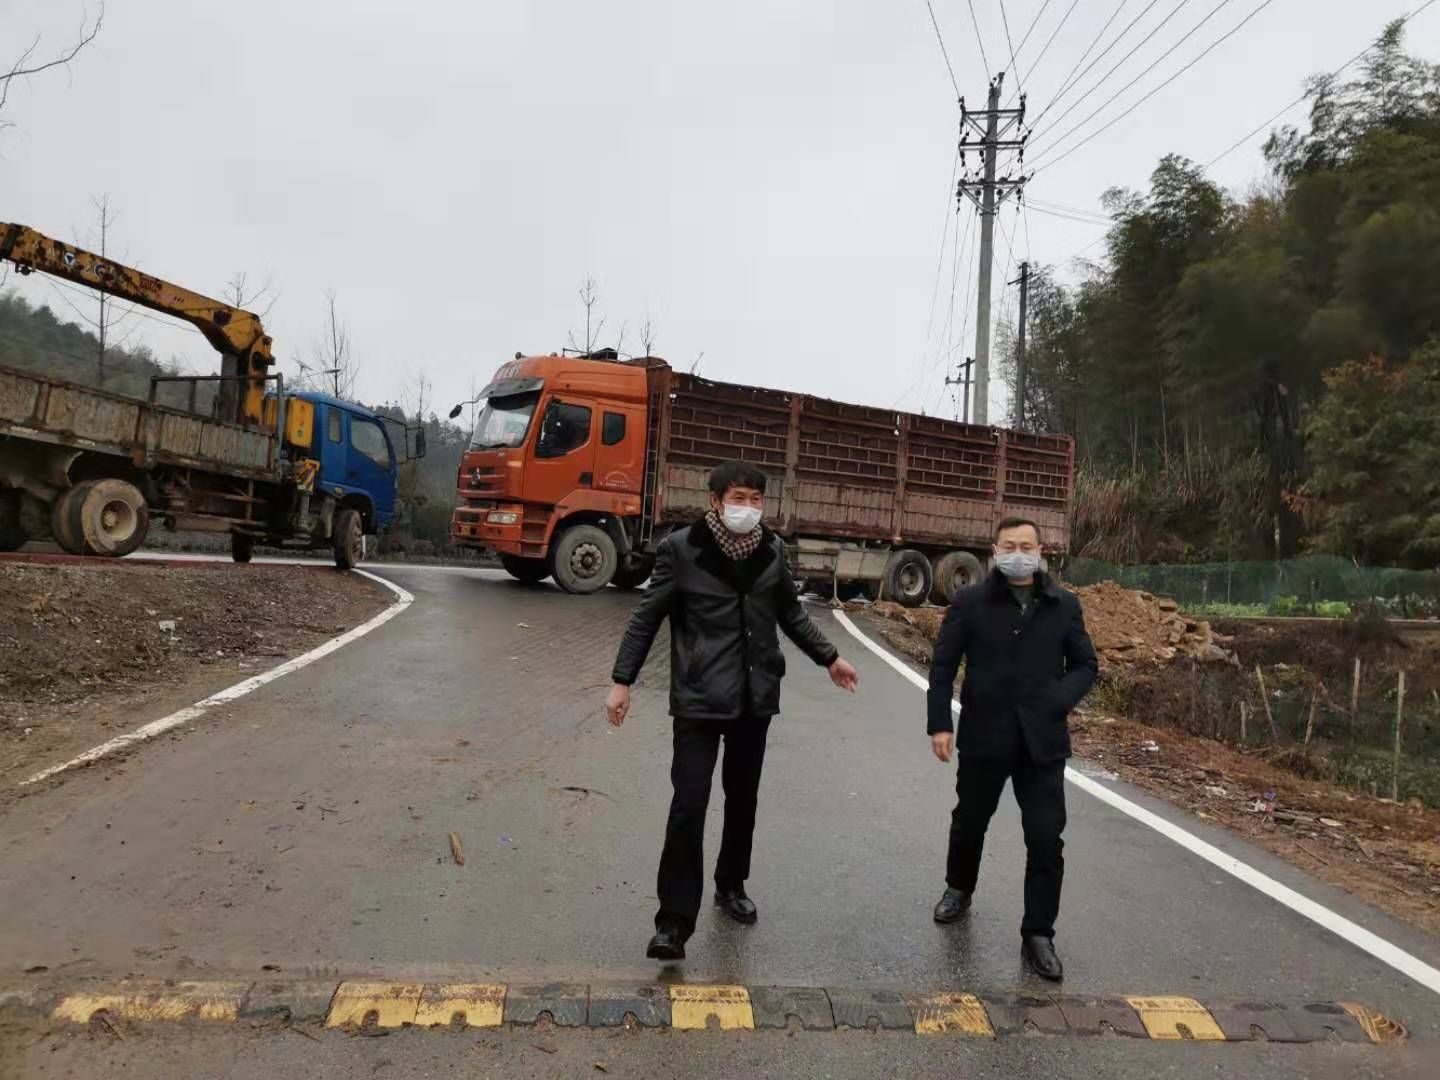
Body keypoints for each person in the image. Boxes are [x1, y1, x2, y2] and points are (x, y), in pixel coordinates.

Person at [607, 460, 859, 961]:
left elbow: (790, 612)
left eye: (756, 499)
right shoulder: (682, 549)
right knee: (689, 804)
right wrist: (622, 681)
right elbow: (646, 616)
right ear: (716, 501)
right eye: (738, 498)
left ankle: (731, 884)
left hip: (754, 696)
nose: (748, 507)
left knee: (742, 799)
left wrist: (830, 658)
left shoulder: (772, 550)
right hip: (699, 696)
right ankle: (673, 922)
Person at [926, 517, 1098, 981]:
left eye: (1026, 546)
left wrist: (1058, 700)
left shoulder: (1064, 605)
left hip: (1042, 743)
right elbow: (943, 665)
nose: (1018, 554)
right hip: (985, 734)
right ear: (994, 551)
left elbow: (1086, 665)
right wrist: (940, 724)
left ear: (1041, 552)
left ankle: (1038, 934)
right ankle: (958, 888)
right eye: (1009, 546)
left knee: (1045, 837)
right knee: (970, 821)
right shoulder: (970, 603)